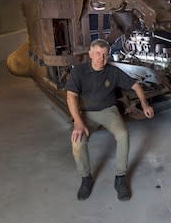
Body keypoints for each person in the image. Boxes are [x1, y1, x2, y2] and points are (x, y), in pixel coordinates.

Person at [65, 39, 154, 201]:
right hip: (86, 113)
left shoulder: (113, 71)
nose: (101, 58)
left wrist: (145, 104)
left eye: (105, 55)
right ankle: (86, 178)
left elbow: (135, 85)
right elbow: (71, 96)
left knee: (123, 135)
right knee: (78, 142)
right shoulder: (79, 72)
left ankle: (120, 178)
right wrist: (78, 122)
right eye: (98, 53)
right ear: (90, 54)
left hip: (108, 111)